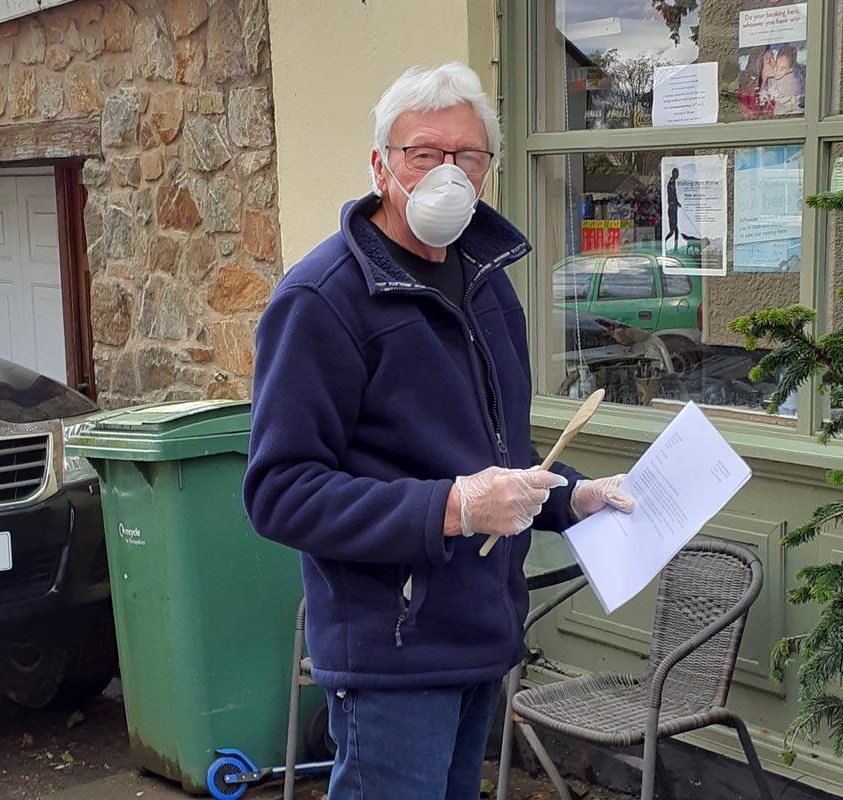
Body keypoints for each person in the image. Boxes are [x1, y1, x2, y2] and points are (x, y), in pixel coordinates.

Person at [242, 63, 636, 800]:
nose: (447, 174)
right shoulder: (322, 302)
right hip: (390, 652)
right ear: (380, 165)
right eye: (424, 153)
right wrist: (450, 509)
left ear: (487, 169)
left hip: (480, 634)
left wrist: (574, 498)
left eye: (468, 157)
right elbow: (279, 493)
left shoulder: (487, 282)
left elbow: (497, 460)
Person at [664, 166, 681, 250]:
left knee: (676, 231)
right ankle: (664, 242)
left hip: (674, 208)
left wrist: (677, 203)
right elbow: (671, 195)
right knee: (672, 231)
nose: (678, 175)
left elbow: (674, 195)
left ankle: (675, 248)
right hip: (672, 209)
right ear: (674, 174)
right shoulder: (671, 183)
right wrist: (673, 204)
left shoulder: (673, 182)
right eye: (676, 173)